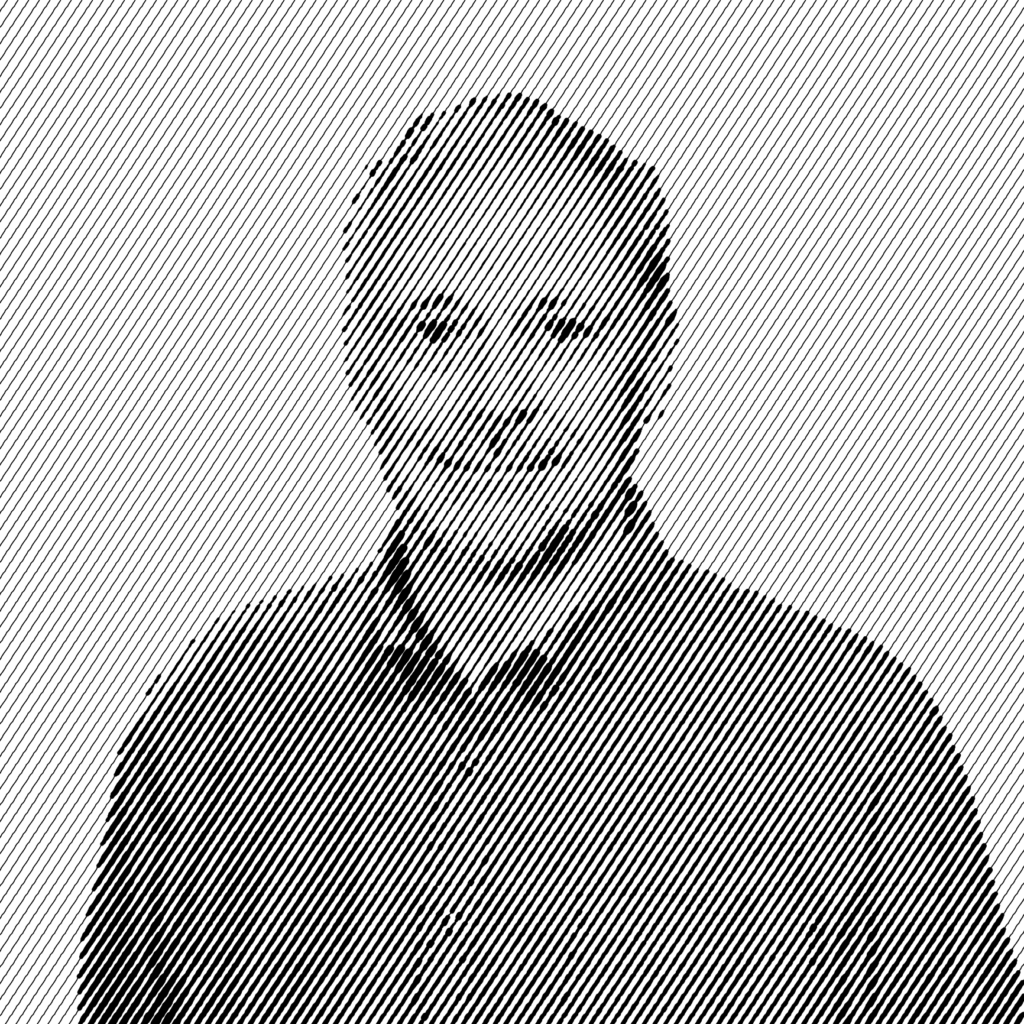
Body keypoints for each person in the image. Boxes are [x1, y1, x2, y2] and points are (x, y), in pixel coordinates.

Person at [78, 93, 1022, 1022]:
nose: (495, 397)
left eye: (562, 331)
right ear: (360, 363)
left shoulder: (859, 738)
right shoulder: (197, 735)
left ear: (651, 362)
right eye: (433, 331)